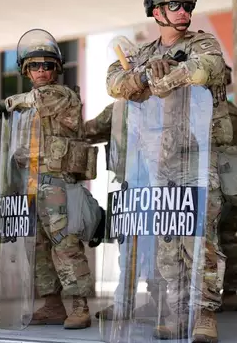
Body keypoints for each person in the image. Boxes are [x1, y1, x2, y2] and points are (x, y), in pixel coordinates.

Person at [105, 0, 231, 341]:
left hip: (194, 157)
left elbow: (208, 67)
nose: (184, 12)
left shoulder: (202, 42)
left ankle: (204, 313)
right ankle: (178, 310)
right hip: (154, 162)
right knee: (167, 239)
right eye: (176, 6)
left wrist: (169, 78)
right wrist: (143, 76)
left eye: (189, 6)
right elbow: (114, 80)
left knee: (200, 235)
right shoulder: (143, 53)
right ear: (157, 12)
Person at [0, 28, 97, 330]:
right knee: (38, 246)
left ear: (57, 69)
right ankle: (52, 304)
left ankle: (80, 305)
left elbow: (37, 100)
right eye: (35, 65)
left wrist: (9, 102)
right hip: (30, 182)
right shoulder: (25, 106)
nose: (42, 70)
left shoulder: (61, 95)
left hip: (57, 183)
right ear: (26, 70)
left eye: (48, 65)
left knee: (65, 244)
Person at [83, 103, 170, 320]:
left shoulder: (167, 101)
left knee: (157, 248)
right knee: (128, 250)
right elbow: (90, 130)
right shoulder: (120, 107)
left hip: (158, 186)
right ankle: (124, 304)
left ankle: (159, 303)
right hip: (127, 187)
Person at [217, 66, 237, 312]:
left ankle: (209, 294)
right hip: (231, 184)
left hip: (212, 184)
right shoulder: (232, 111)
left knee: (207, 239)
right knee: (228, 238)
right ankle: (229, 293)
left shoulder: (207, 111)